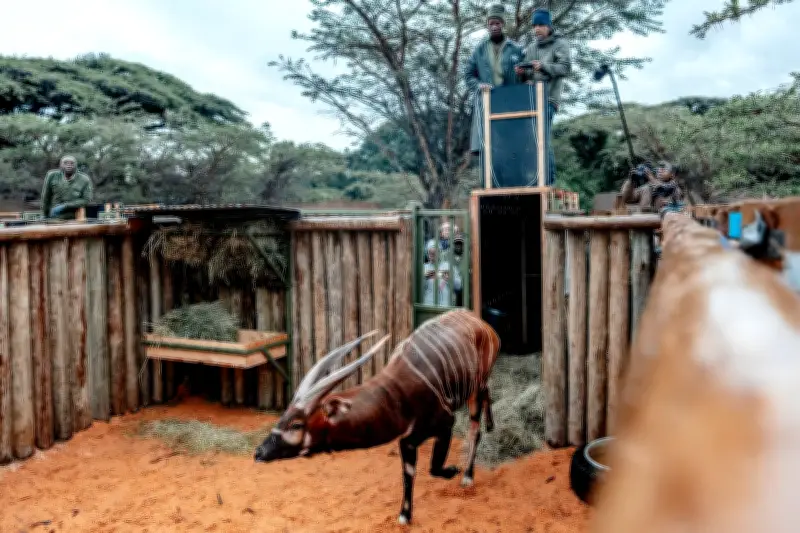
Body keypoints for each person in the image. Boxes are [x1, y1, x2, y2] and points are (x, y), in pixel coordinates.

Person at [515, 9, 572, 186]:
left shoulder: (560, 44)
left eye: (540, 25)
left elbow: (565, 68)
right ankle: (534, 179)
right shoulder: (532, 47)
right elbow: (528, 75)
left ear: (548, 26)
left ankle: (549, 181)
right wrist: (521, 73)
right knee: (530, 141)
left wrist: (543, 66)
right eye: (534, 26)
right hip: (531, 100)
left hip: (548, 100)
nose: (537, 29)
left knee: (542, 138)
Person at [465, 4, 525, 155]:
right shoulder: (479, 50)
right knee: (488, 149)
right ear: (487, 25)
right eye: (491, 23)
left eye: (497, 23)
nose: (494, 27)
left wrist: (522, 74)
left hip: (510, 102)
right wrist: (479, 85)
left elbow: (526, 78)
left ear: (503, 24)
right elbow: (468, 76)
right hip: (488, 101)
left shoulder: (516, 49)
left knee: (510, 148)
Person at [40, 155, 94, 219]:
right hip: (54, 216)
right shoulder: (52, 175)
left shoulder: (84, 179)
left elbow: (86, 200)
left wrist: (65, 206)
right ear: (60, 165)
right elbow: (46, 197)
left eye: (72, 163)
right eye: (65, 163)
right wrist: (44, 214)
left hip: (75, 217)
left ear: (76, 165)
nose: (69, 165)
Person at [423, 241, 462, 307]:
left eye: (435, 252)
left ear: (439, 252)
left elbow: (459, 286)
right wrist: (424, 278)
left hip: (445, 306)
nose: (432, 255)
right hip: (428, 305)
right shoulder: (424, 267)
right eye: (430, 253)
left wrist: (450, 278)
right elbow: (417, 288)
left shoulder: (449, 266)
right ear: (427, 253)